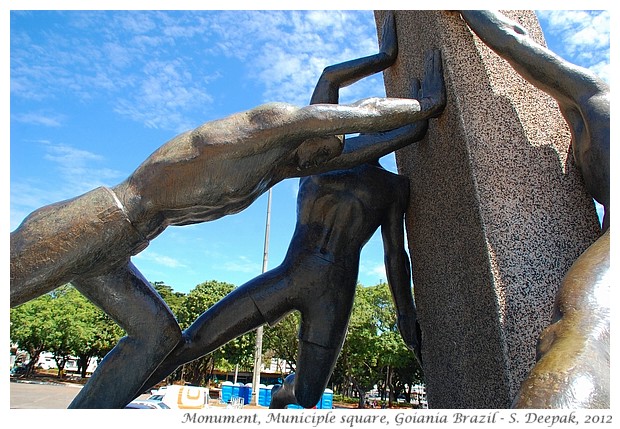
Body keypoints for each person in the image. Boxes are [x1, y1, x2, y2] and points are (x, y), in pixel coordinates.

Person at [10, 12, 445, 409]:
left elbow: (393, 247)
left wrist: (418, 125)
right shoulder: (283, 137)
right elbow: (348, 101)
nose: (322, 159)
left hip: (325, 289)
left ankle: (97, 412)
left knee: (181, 348)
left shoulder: (334, 175)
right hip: (125, 225)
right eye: (325, 145)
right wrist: (410, 92)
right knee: (184, 339)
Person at [136, 12, 439, 409]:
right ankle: (116, 394)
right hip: (288, 277)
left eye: (388, 115)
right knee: (193, 341)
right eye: (378, 112)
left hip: (335, 296)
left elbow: (395, 256)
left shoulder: (392, 188)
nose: (379, 120)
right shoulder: (320, 155)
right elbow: (330, 78)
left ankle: (280, 396)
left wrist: (405, 314)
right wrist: (386, 57)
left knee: (309, 396)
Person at [459, 10, 610, 408]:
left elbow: (511, 38)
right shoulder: (595, 105)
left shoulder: (600, 100)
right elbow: (513, 38)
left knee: (585, 337)